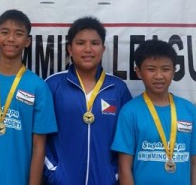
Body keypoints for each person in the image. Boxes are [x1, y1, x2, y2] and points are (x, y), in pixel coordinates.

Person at [0, 9, 57, 185]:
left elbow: (39, 146)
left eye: (18, 34)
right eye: (5, 32)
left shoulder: (38, 87)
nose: (11, 39)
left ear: (27, 41)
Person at [43, 16, 132, 185]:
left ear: (103, 48)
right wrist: (54, 171)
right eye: (80, 43)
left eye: (95, 43)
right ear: (70, 48)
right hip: (62, 181)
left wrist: (113, 174)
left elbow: (128, 139)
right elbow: (40, 136)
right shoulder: (53, 85)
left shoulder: (118, 88)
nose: (88, 49)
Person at [111, 39, 196, 185]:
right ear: (138, 72)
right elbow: (124, 168)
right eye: (151, 69)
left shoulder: (189, 110)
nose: (159, 76)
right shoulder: (130, 112)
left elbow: (194, 163)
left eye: (165, 69)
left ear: (174, 71)